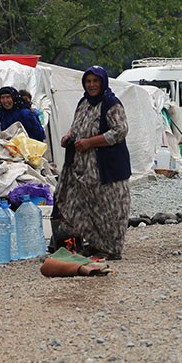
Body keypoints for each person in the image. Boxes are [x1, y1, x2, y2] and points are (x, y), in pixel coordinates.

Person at [54, 66, 131, 260]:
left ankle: (112, 248)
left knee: (110, 208)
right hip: (84, 167)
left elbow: (119, 131)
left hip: (106, 167)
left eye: (95, 81)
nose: (92, 85)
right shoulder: (83, 103)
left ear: (103, 82)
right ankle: (96, 244)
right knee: (88, 206)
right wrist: (68, 137)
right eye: (88, 81)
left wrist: (90, 142)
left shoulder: (111, 103)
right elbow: (76, 127)